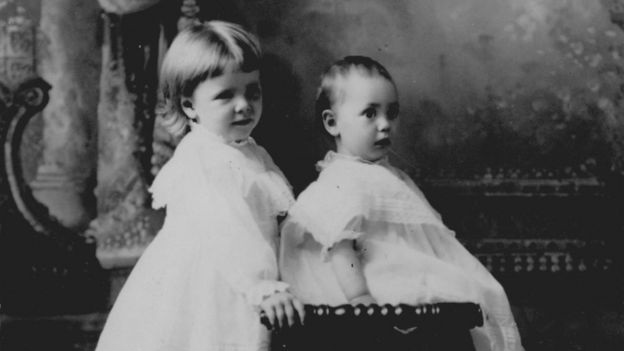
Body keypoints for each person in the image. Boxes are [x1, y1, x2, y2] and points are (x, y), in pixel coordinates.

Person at [279, 56, 523, 351]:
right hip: (364, 286)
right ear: (333, 123)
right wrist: (360, 298)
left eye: (391, 112)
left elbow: (420, 242)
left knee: (478, 290)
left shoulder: (390, 177)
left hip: (401, 273)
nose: (385, 125)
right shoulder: (342, 180)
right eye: (370, 114)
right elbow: (341, 248)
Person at [96, 21, 304, 351]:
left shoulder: (248, 152)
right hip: (216, 280)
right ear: (189, 105)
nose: (244, 105)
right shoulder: (202, 159)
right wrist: (261, 286)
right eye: (225, 95)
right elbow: (228, 228)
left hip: (244, 273)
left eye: (252, 91)